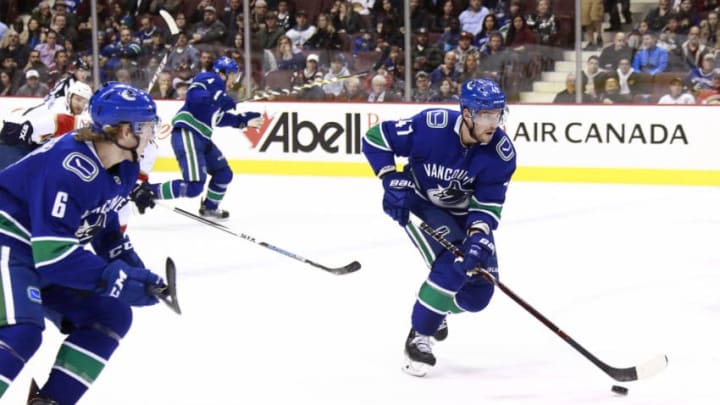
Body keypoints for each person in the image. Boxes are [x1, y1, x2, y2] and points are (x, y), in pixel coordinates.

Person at [0, 82, 165, 404]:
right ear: (122, 132)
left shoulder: (125, 166)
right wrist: (116, 279)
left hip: (34, 248)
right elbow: (54, 255)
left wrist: (133, 269)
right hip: (7, 238)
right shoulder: (69, 165)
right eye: (145, 127)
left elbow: (104, 228)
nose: (151, 135)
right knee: (22, 332)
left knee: (111, 315)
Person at [362, 78, 516, 377]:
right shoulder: (431, 126)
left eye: (497, 114)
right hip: (422, 204)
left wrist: (478, 237)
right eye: (486, 115)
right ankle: (419, 337)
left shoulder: (501, 154)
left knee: (478, 294)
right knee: (453, 262)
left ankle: (437, 306)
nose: (493, 123)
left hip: (463, 215)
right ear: (467, 113)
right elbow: (375, 138)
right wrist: (389, 177)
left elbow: (487, 205)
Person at [140, 57, 263, 219]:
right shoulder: (211, 79)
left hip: (201, 138)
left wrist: (242, 120)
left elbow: (217, 119)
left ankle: (210, 207)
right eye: (233, 75)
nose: (235, 80)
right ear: (223, 73)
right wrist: (217, 98)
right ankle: (148, 192)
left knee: (223, 173)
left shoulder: (219, 94)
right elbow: (195, 96)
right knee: (194, 187)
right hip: (188, 133)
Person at [0, 80, 92, 170]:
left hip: (31, 139)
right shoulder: (59, 109)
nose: (81, 105)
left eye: (85, 102)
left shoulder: (71, 111)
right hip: (15, 131)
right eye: (78, 99)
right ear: (69, 97)